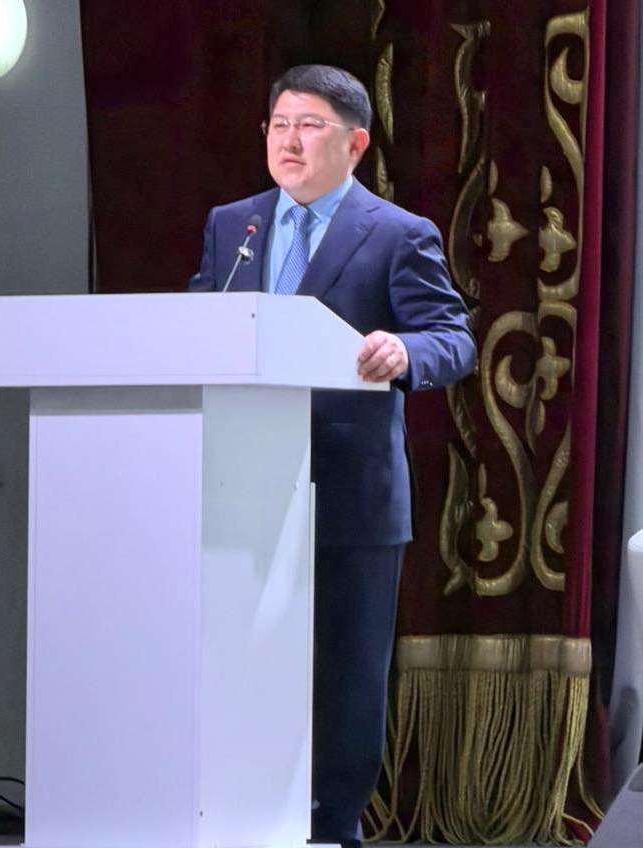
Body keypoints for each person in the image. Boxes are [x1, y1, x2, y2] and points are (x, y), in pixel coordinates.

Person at [191, 64, 476, 848]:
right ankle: (240, 816)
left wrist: (404, 350)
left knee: (344, 673)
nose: (289, 141)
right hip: (239, 487)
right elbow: (201, 323)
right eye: (279, 124)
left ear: (355, 144)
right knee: (242, 661)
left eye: (309, 126)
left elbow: (453, 339)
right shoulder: (234, 225)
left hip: (349, 493)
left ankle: (334, 825)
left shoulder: (397, 233)